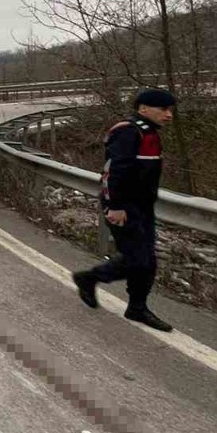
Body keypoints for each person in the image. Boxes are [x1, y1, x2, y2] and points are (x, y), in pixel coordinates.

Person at [72, 88, 177, 333]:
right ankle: (92, 278)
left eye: (171, 110)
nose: (169, 115)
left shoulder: (149, 133)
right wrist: (115, 206)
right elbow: (114, 172)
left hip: (142, 207)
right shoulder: (128, 132)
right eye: (163, 109)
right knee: (138, 260)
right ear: (143, 109)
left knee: (147, 261)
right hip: (124, 207)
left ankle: (137, 307)